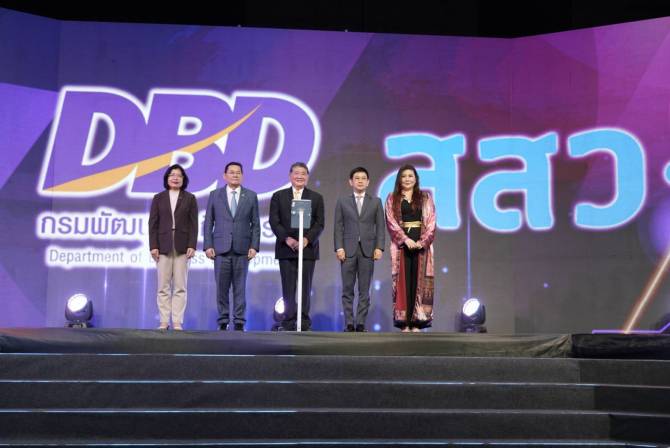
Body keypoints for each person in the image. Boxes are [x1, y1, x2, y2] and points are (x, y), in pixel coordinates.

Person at [204, 162, 260, 331]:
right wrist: (208, 245)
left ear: (242, 175)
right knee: (221, 288)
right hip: (220, 249)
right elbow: (208, 222)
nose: (235, 175)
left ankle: (239, 321)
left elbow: (256, 224)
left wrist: (254, 246)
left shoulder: (251, 196)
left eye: (238, 172)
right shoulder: (215, 195)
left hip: (242, 249)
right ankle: (223, 320)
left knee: (240, 288)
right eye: (232, 172)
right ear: (225, 175)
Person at [269, 162, 324, 331]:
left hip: (307, 249)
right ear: (290, 175)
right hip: (286, 249)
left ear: (307, 177)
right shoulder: (279, 196)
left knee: (305, 287)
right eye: (296, 173)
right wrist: (287, 239)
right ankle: (288, 322)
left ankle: (304, 321)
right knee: (288, 287)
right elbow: (274, 221)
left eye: (303, 173)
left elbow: (319, 223)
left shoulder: (316, 197)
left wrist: (307, 240)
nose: (300, 176)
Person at [384, 164, 436, 332]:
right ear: (399, 179)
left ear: (416, 179)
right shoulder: (392, 198)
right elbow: (391, 222)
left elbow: (432, 222)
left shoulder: (425, 197)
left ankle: (417, 322)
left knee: (419, 282)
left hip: (421, 246)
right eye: (404, 176)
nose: (407, 179)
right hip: (401, 246)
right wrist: (405, 240)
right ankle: (404, 322)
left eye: (410, 176)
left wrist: (422, 242)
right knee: (403, 283)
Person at [334, 167, 385, 332]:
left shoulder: (376, 202)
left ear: (368, 182)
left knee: (365, 290)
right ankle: (349, 323)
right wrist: (339, 247)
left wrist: (379, 247)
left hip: (367, 250)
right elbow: (338, 226)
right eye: (357, 178)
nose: (360, 181)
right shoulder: (342, 201)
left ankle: (361, 322)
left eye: (363, 178)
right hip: (347, 250)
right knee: (347, 289)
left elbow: (380, 227)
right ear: (351, 182)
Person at [148, 164, 198, 331]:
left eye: (179, 175)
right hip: (163, 245)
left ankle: (177, 321)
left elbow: (194, 224)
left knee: (180, 286)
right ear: (167, 178)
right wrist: (153, 246)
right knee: (163, 287)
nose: (175, 178)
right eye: (172, 175)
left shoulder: (190, 198)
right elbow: (153, 224)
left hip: (183, 245)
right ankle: (164, 321)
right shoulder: (158, 198)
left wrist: (192, 244)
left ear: (183, 179)